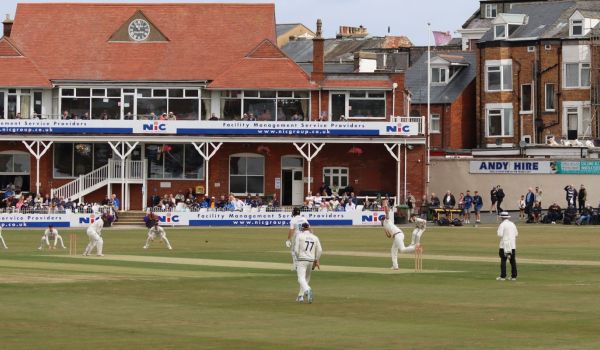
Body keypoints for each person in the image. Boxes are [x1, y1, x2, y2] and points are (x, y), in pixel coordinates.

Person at [382, 199, 416, 270]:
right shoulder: (385, 226)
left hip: (398, 235)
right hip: (397, 236)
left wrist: (385, 205)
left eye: (381, 220)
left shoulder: (387, 221)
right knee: (393, 250)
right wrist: (385, 231)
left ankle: (414, 247)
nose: (381, 222)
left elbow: (387, 213)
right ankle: (395, 266)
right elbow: (389, 236)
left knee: (402, 250)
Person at [293, 222, 322, 303]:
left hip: (302, 259)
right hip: (311, 260)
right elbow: (320, 250)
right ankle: (300, 296)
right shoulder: (315, 237)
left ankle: (308, 290)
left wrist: (298, 257)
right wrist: (316, 260)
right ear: (309, 228)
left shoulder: (299, 236)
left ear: (302, 228)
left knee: (300, 278)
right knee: (306, 278)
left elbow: (295, 250)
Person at [496, 211, 518, 281]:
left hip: (504, 245)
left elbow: (500, 234)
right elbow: (516, 234)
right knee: (512, 261)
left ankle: (503, 276)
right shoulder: (512, 224)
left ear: (502, 217)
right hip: (512, 245)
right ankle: (514, 276)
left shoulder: (502, 224)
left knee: (503, 260)